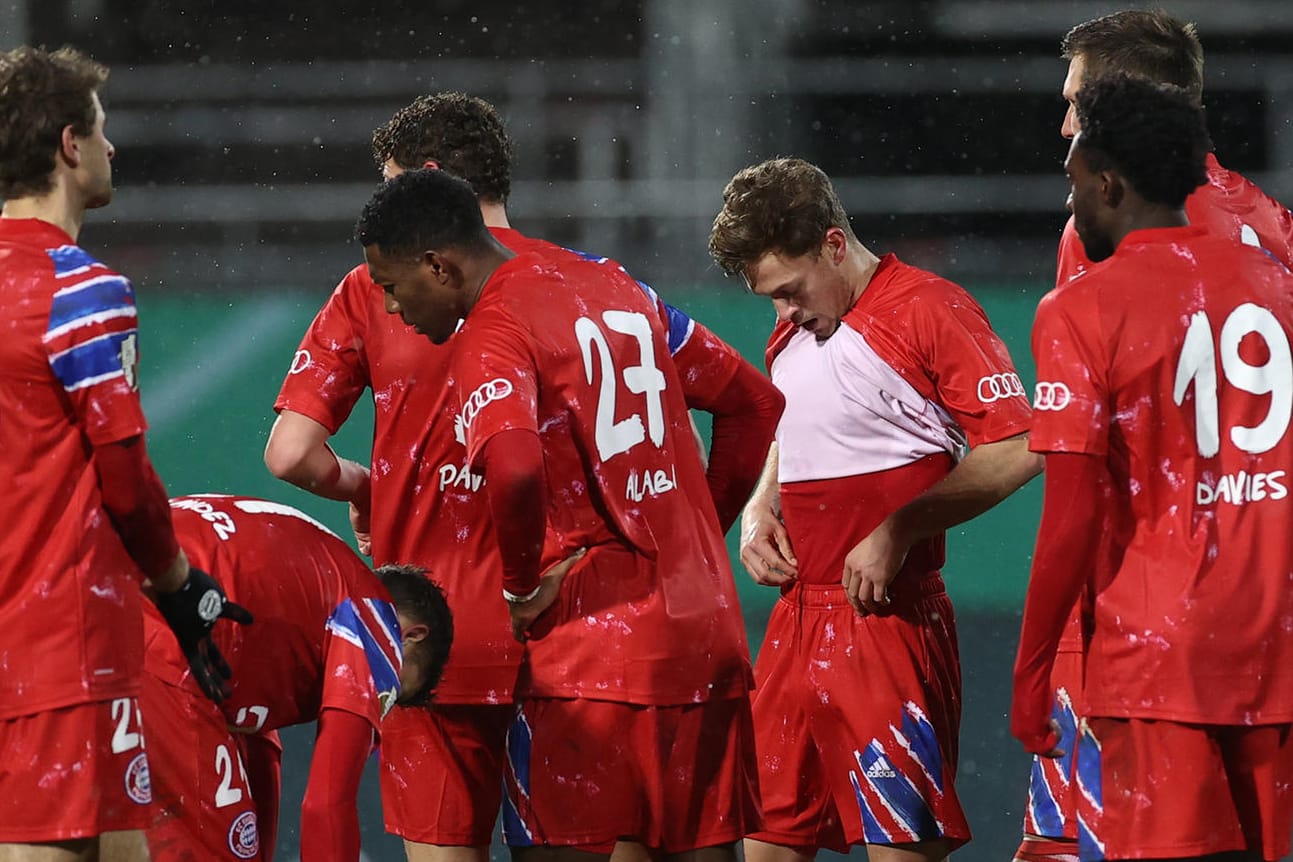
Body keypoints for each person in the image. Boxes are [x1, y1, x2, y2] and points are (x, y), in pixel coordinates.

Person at [265, 92, 782, 859]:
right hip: (633, 624)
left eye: (394, 187)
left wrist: (370, 488)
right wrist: (686, 527)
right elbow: (749, 401)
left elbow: (290, 453)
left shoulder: (396, 294)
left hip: (462, 634)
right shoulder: (608, 285)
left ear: (432, 192)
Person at [708, 157, 1041, 862]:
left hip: (886, 624)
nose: (783, 312)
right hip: (794, 622)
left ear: (833, 244)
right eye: (770, 298)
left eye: (789, 290)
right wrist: (761, 505)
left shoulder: (927, 308)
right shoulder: (795, 326)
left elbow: (1018, 445)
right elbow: (795, 418)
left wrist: (900, 525)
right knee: (763, 844)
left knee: (897, 849)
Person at [1018, 12, 1293, 861]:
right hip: (1268, 625)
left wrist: (1042, 666)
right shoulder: (1273, 235)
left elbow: (1081, 467)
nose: (1065, 123)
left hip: (1148, 625)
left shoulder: (1099, 247)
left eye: (1077, 103)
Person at [0, 45, 248, 861]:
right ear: (69, 146)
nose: (113, 151)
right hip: (54, 646)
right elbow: (126, 480)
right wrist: (177, 584)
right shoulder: (79, 288)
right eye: (103, 133)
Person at [142, 494, 453, 862]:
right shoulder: (377, 622)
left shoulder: (311, 573)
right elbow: (326, 805)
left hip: (78, 604)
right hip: (160, 649)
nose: (375, 702)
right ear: (412, 635)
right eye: (391, 692)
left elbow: (258, 747)